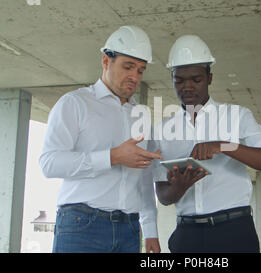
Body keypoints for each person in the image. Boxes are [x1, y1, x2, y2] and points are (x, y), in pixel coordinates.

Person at [149, 35, 261, 253]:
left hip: (234, 233)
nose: (187, 87)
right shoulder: (161, 131)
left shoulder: (237, 116)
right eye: (179, 80)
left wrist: (224, 146)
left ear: (209, 78)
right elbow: (163, 196)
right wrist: (179, 187)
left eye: (196, 79)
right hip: (187, 236)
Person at [39, 26, 162, 253]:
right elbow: (49, 163)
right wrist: (112, 157)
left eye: (141, 70)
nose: (134, 77)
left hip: (130, 230)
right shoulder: (75, 103)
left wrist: (151, 230)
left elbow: (144, 179)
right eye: (128, 67)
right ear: (106, 61)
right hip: (82, 226)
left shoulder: (141, 116)